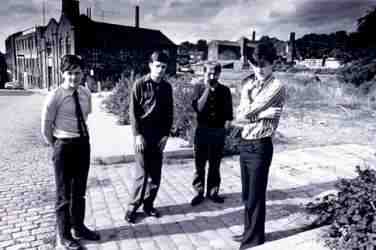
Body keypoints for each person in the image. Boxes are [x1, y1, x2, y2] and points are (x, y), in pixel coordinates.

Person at [41, 55, 100, 250]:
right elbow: (46, 127)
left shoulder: (85, 93)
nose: (73, 77)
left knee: (79, 191)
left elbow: (86, 115)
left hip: (83, 143)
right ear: (62, 74)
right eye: (69, 73)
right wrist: (58, 145)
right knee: (63, 193)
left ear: (82, 73)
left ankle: (79, 227)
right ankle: (65, 235)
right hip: (63, 145)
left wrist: (78, 140)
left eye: (77, 73)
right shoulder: (55, 96)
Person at [232, 40, 286, 249]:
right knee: (247, 194)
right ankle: (249, 232)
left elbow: (247, 113)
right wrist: (262, 114)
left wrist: (252, 112)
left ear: (273, 63)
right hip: (245, 143)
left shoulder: (277, 86)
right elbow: (240, 115)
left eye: (264, 64)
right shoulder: (249, 84)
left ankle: (254, 240)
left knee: (256, 194)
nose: (259, 69)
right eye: (255, 64)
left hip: (260, 145)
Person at [125, 51, 173, 223]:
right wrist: (137, 135)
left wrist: (166, 135)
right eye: (157, 66)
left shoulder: (167, 87)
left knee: (156, 173)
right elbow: (133, 112)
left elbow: (169, 113)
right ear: (150, 65)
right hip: (143, 135)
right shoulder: (140, 84)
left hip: (158, 136)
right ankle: (132, 206)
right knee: (142, 172)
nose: (160, 70)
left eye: (164, 67)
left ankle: (148, 204)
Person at [190, 62, 233, 206]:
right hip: (202, 131)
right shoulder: (198, 88)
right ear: (204, 73)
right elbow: (199, 108)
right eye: (209, 73)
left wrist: (224, 129)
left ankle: (213, 191)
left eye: (215, 73)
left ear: (219, 74)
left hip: (218, 132)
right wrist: (208, 89)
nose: (212, 76)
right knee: (199, 165)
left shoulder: (225, 90)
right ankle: (198, 192)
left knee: (215, 165)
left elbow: (228, 113)